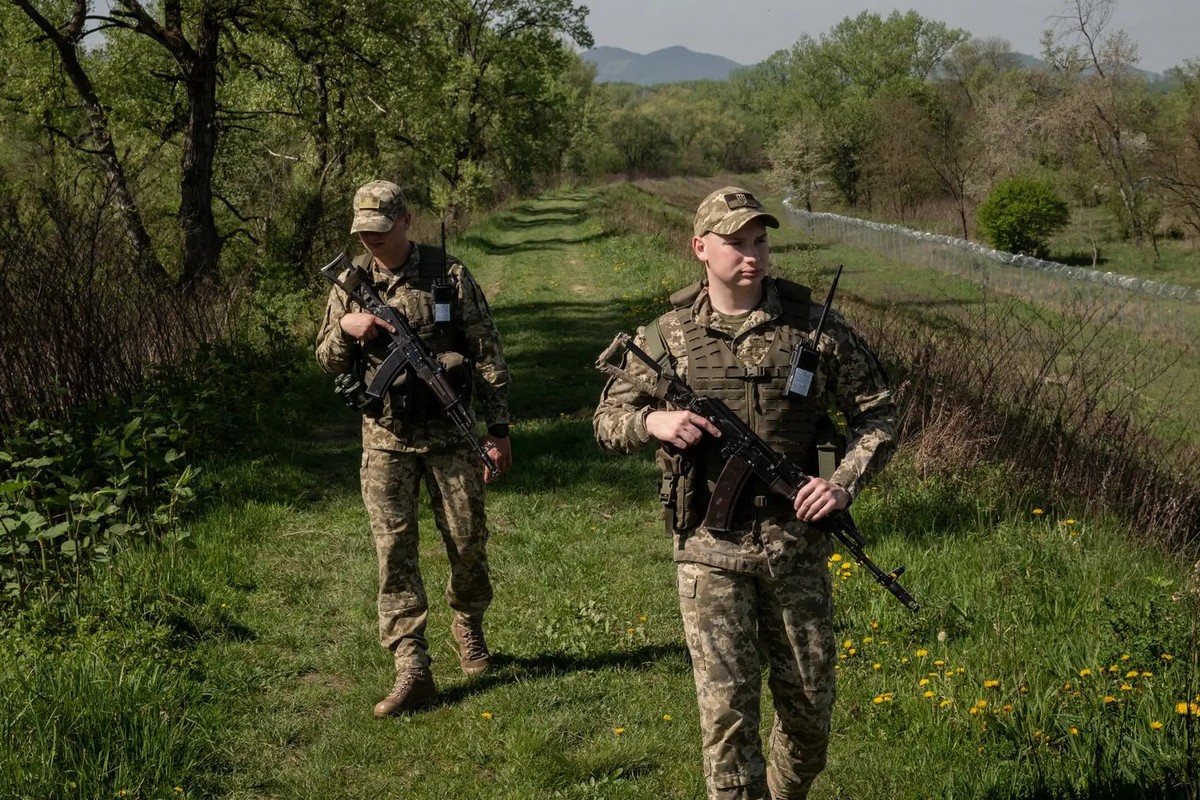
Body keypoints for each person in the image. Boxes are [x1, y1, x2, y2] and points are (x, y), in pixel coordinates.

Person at [593, 186, 896, 799]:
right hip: (709, 548)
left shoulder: (815, 329)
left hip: (796, 546)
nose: (751, 255)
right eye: (736, 242)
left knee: (809, 720)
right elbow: (605, 419)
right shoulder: (668, 336)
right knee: (727, 722)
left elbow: (879, 416)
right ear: (700, 248)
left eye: (760, 241)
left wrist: (838, 484)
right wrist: (652, 422)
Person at [316, 180, 513, 717]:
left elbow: (487, 349)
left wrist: (497, 428)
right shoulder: (351, 284)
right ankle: (411, 664)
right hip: (385, 439)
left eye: (381, 231)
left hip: (451, 437)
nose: (372, 242)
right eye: (364, 234)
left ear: (406, 222)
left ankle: (467, 621)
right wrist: (345, 329)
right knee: (394, 552)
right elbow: (327, 360)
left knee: (468, 542)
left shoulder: (448, 274)